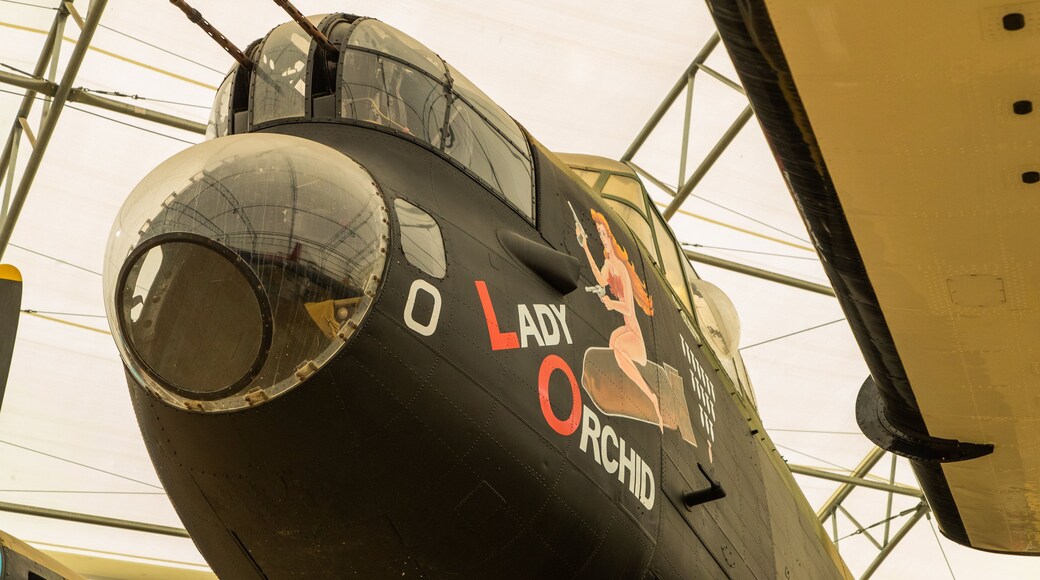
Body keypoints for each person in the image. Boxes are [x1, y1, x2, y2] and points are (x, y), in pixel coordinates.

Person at [578, 209, 660, 430]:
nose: (603, 239)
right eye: (600, 235)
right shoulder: (608, 265)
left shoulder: (621, 267)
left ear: (611, 238)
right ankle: (648, 395)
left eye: (605, 234)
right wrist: (585, 246)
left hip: (634, 332)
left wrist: (611, 303)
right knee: (613, 340)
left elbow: (630, 310)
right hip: (626, 327)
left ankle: (650, 396)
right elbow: (599, 278)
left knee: (617, 346)